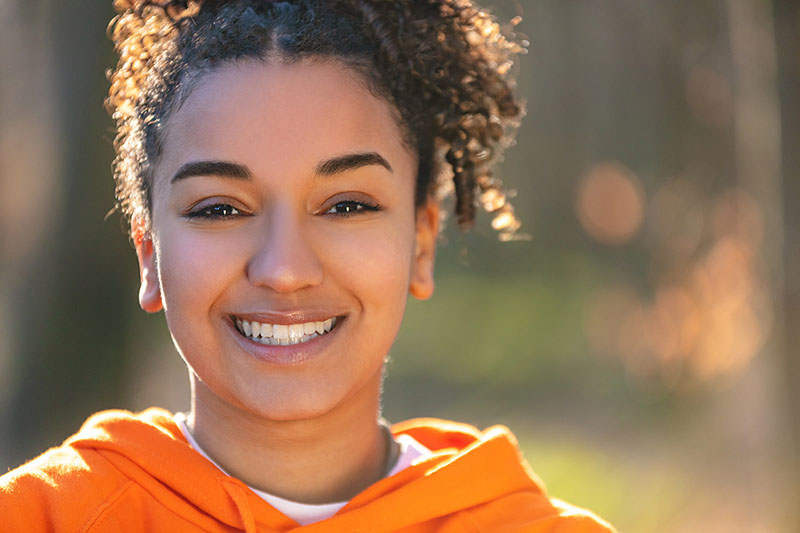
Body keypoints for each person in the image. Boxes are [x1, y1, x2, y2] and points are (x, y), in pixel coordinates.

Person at [0, 1, 616, 531]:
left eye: (347, 205)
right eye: (220, 209)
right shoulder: (40, 519)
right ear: (149, 253)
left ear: (421, 245)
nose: (285, 270)